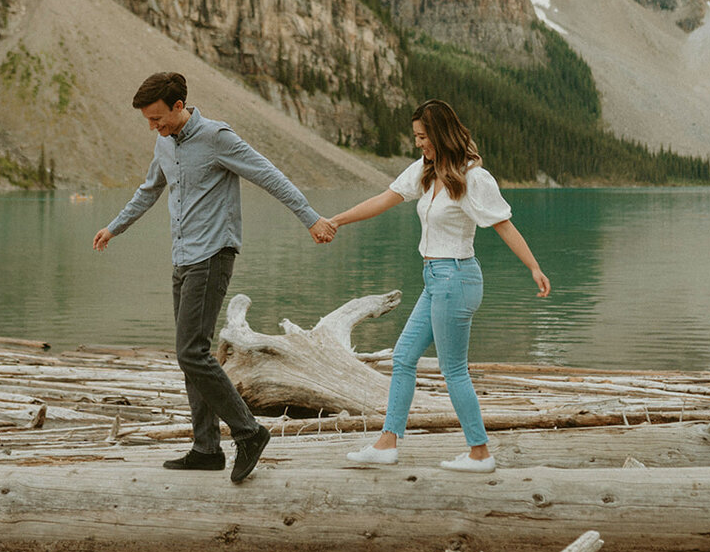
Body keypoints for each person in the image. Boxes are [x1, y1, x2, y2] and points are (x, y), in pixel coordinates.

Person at [93, 72, 336, 482]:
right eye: (148, 122)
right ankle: (206, 449)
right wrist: (115, 226)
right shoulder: (164, 143)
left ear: (178, 105)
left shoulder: (217, 137)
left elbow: (269, 175)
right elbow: (149, 190)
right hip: (183, 257)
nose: (154, 127)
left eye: (158, 119)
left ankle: (249, 432)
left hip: (212, 254)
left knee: (192, 352)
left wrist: (310, 218)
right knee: (192, 355)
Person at [323, 99, 550, 473]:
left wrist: (534, 267)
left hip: (456, 278)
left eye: (423, 136)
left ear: (441, 134)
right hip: (435, 280)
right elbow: (384, 200)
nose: (418, 144)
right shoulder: (424, 172)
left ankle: (480, 453)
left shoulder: (473, 178)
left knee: (453, 369)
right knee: (403, 357)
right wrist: (336, 220)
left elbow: (503, 224)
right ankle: (386, 443)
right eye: (415, 137)